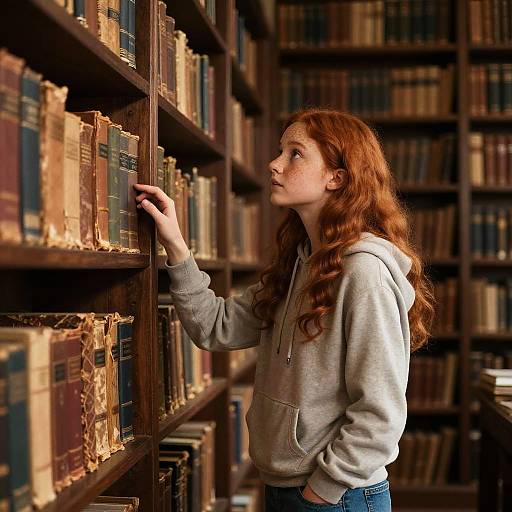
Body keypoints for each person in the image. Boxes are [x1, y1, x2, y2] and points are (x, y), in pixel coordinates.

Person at [133, 108, 435, 512]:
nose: (274, 164)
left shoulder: (363, 271)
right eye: (281, 151)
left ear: (336, 177)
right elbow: (215, 327)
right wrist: (176, 245)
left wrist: (324, 489)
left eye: (295, 154)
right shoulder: (301, 262)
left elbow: (380, 411)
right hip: (288, 487)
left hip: (337, 496)